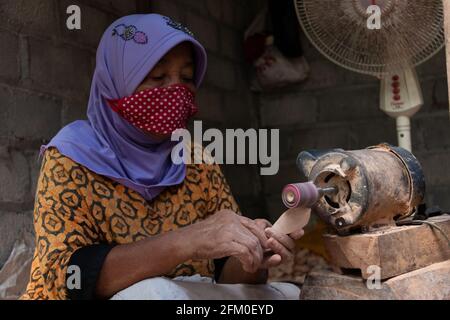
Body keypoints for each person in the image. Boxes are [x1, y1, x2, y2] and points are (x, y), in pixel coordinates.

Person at [20, 14, 304, 300]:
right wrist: (188, 241)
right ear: (116, 81)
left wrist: (251, 255)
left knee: (288, 294)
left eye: (187, 78)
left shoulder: (194, 158)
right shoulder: (72, 157)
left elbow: (224, 276)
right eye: (157, 77)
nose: (176, 91)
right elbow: (66, 278)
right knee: (153, 293)